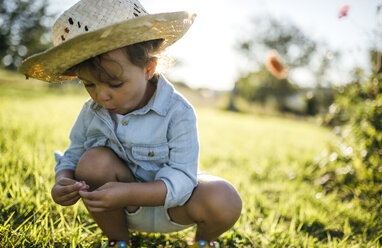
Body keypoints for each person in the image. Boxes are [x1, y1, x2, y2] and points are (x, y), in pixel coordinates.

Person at [18, 0, 242, 247]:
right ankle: (118, 240)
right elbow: (74, 156)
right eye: (89, 84)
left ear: (149, 67)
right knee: (93, 161)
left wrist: (129, 192)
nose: (101, 96)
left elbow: (182, 179)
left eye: (115, 84)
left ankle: (202, 240)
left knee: (225, 197)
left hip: (176, 208)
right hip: (119, 210)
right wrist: (62, 180)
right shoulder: (92, 112)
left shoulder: (178, 111)